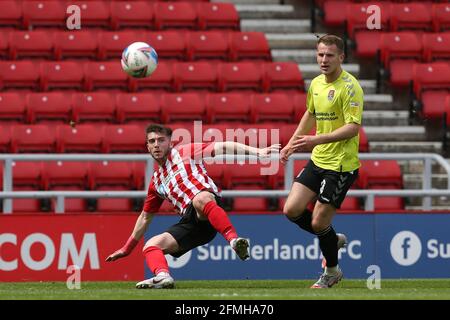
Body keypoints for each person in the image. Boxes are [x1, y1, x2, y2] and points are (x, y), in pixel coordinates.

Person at [106, 123, 280, 289]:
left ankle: (234, 240)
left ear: (170, 143)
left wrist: (257, 152)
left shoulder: (184, 151)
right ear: (147, 147)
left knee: (199, 199)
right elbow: (145, 217)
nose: (156, 145)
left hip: (207, 205)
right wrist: (127, 248)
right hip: (192, 223)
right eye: (152, 141)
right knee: (151, 245)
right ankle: (163, 276)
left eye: (161, 140)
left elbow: (223, 147)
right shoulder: (156, 182)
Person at [280, 34, 363, 288]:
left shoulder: (350, 87)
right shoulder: (316, 83)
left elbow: (352, 128)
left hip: (341, 165)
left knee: (318, 221)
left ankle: (332, 272)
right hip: (319, 160)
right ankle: (331, 238)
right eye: (320, 55)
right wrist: (292, 143)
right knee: (291, 209)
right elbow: (310, 113)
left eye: (329, 55)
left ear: (341, 57)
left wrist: (316, 140)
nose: (324, 60)